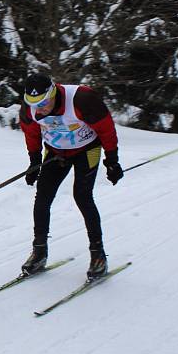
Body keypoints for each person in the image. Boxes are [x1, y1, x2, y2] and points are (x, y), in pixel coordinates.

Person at [19, 72, 123, 280]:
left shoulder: (82, 99)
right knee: (43, 197)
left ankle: (98, 256)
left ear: (53, 92)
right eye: (34, 104)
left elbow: (106, 128)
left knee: (82, 197)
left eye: (43, 102)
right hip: (56, 152)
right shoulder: (30, 109)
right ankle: (39, 252)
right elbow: (31, 133)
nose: (40, 109)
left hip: (86, 149)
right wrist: (34, 161)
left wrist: (112, 160)